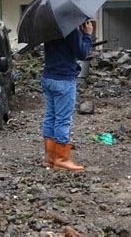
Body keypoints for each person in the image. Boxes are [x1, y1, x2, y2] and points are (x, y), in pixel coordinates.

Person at [41, 20, 93, 172]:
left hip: (48, 77)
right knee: (63, 119)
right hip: (63, 80)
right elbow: (82, 53)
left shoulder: (48, 28)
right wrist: (87, 35)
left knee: (50, 116)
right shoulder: (69, 29)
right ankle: (62, 159)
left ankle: (50, 157)